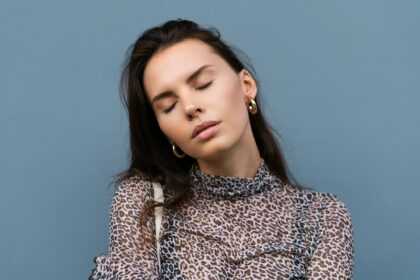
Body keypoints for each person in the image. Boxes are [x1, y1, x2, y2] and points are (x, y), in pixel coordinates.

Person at [89, 19, 354, 279]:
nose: (190, 107)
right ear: (164, 131)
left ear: (246, 85)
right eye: (169, 105)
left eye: (203, 84)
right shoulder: (145, 202)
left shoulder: (321, 216)